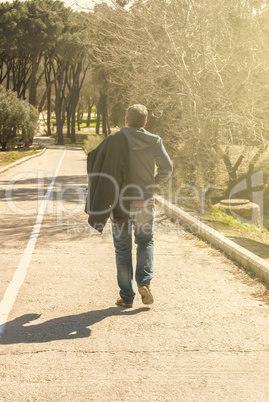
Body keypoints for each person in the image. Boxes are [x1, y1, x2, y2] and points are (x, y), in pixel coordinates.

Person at [86, 104, 172, 308]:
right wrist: (154, 182)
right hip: (144, 201)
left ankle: (126, 296)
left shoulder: (114, 139)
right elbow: (167, 167)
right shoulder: (154, 140)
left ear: (126, 120)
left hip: (120, 204)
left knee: (123, 249)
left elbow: (95, 160)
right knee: (145, 242)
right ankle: (144, 282)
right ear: (145, 122)